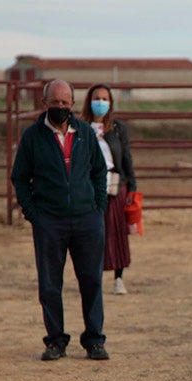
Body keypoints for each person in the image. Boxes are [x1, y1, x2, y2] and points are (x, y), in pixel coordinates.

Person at [11, 79, 110, 361]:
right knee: (50, 283)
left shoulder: (85, 135)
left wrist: (97, 207)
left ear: (73, 104)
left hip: (86, 220)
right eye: (55, 103)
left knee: (91, 280)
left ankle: (94, 340)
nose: (60, 108)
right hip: (49, 221)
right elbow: (20, 177)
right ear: (44, 104)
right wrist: (34, 213)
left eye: (65, 103)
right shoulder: (33, 137)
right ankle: (55, 341)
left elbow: (99, 171)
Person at [81, 84, 138, 296]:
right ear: (89, 100)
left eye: (105, 99)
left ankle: (118, 278)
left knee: (116, 232)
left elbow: (126, 158)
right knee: (91, 233)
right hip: (89, 185)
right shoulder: (80, 127)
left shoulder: (117, 128)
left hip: (115, 184)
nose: (101, 102)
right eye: (97, 98)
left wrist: (131, 187)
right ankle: (91, 277)